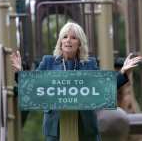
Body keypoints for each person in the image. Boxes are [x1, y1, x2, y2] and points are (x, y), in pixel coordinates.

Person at [10, 22, 142, 141]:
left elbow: (104, 88)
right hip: (55, 128)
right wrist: (20, 72)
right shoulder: (48, 62)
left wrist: (123, 72)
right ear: (60, 42)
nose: (68, 40)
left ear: (79, 43)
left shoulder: (90, 64)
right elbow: (33, 86)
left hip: (86, 127)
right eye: (65, 37)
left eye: (73, 37)